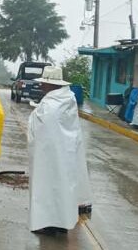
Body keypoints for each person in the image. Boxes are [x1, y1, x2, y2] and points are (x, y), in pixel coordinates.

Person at [27, 66, 91, 236]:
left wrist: (34, 114)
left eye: (44, 84)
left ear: (51, 85)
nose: (41, 87)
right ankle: (61, 224)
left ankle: (49, 223)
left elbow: (42, 127)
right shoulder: (68, 99)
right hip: (67, 154)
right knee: (63, 187)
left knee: (48, 188)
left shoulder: (50, 105)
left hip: (49, 156)